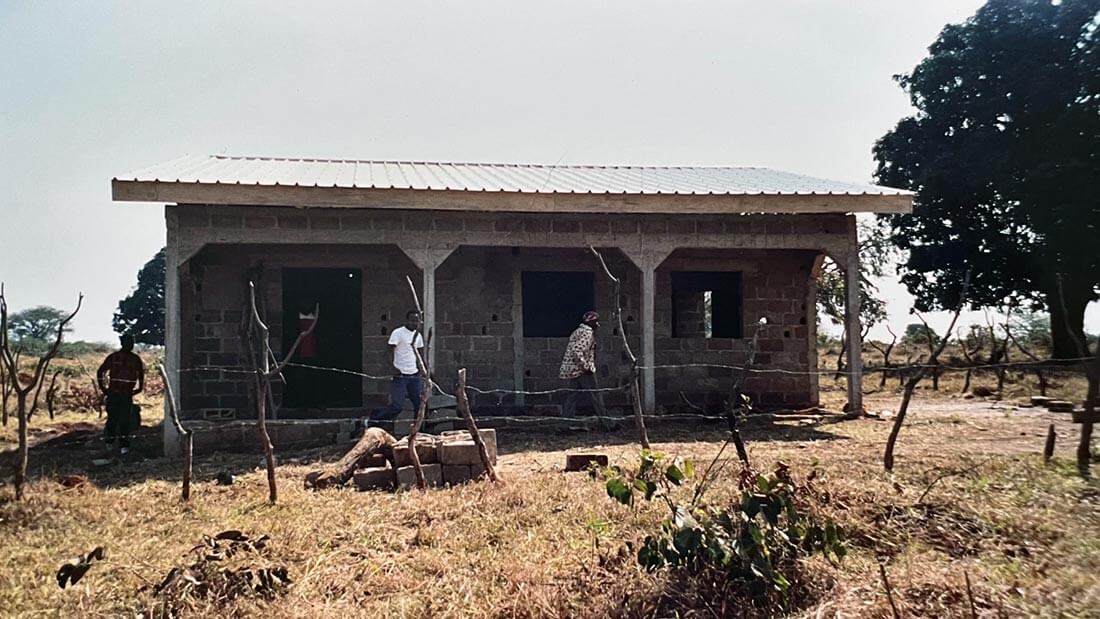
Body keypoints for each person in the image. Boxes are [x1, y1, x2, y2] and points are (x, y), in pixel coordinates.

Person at [371, 310, 425, 422]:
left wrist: (423, 369)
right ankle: (375, 420)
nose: (415, 323)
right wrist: (393, 367)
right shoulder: (398, 333)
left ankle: (417, 428)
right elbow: (388, 351)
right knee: (397, 406)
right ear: (407, 320)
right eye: (412, 320)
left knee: (419, 404)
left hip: (414, 375)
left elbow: (419, 354)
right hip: (400, 375)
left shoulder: (418, 335)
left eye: (417, 321)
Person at [96, 333, 145, 456]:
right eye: (128, 343)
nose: (131, 345)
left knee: (125, 420)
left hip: (127, 394)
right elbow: (100, 371)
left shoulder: (135, 359)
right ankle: (109, 443)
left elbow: (141, 373)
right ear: (123, 343)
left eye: (132, 343)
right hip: (113, 393)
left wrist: (140, 386)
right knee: (112, 419)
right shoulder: (113, 357)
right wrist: (103, 388)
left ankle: (124, 446)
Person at [559, 310, 608, 419]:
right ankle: (608, 423)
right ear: (591, 322)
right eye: (596, 321)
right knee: (596, 397)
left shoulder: (578, 331)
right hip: (583, 370)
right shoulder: (587, 333)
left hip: (574, 369)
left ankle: (564, 424)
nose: (597, 324)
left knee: (572, 397)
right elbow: (577, 351)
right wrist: (586, 366)